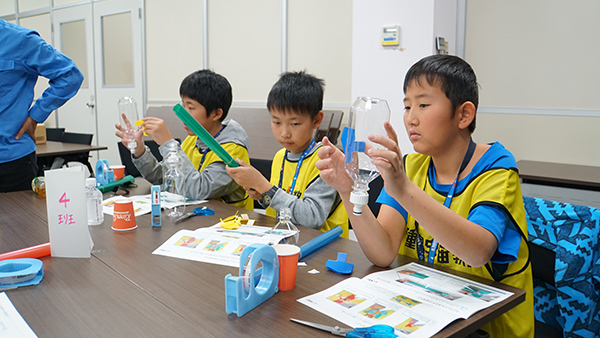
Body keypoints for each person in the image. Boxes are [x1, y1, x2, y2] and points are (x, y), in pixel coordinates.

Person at [316, 55, 533, 337]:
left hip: (487, 327)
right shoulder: (412, 166)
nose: (410, 118)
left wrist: (403, 189)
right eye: (407, 106)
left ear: (464, 115)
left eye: (423, 104)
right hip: (424, 316)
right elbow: (382, 253)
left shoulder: (496, 168)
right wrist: (347, 188)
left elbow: (478, 252)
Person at [226, 71, 349, 238]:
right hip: (282, 239)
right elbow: (282, 203)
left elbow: (312, 218)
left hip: (321, 248)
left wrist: (264, 186)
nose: (284, 133)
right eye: (276, 122)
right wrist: (262, 194)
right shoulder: (280, 156)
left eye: (295, 123)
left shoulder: (326, 160)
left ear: (317, 120)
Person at [115, 69, 253, 210]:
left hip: (227, 224)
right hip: (194, 220)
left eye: (191, 107)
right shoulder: (192, 140)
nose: (183, 114)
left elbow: (197, 190)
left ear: (216, 114)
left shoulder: (233, 151)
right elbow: (164, 179)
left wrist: (167, 144)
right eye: (183, 105)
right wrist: (140, 152)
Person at [0, 19, 84, 192]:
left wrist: (35, 115)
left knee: (20, 219)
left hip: (11, 162)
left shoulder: (20, 40)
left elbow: (70, 76)